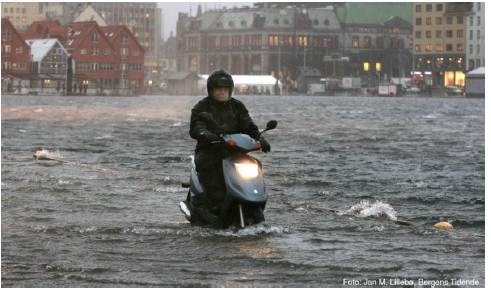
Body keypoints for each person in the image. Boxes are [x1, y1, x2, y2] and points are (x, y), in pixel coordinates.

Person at [187, 69, 271, 227]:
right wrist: (206, 134)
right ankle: (213, 203)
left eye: (225, 89)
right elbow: (196, 127)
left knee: (255, 165)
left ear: (230, 90)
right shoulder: (201, 107)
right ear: (211, 90)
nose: (222, 92)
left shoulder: (237, 106)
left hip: (235, 150)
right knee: (210, 165)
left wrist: (261, 138)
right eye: (218, 89)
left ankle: (254, 196)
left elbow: (249, 126)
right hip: (210, 149)